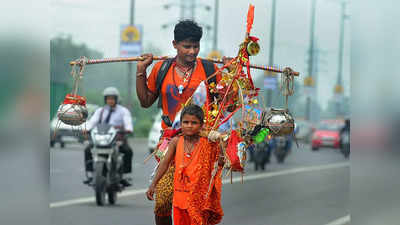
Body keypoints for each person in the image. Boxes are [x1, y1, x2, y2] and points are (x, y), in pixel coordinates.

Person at [136, 20, 229, 225]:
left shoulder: (210, 69)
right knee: (163, 202)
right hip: (170, 140)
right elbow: (145, 102)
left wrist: (231, 74)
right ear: (175, 44)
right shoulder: (162, 69)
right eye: (187, 46)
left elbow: (227, 106)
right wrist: (141, 70)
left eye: (196, 46)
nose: (192, 51)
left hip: (201, 143)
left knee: (196, 203)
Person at [146, 104, 224, 225]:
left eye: (194, 123)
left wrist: (220, 142)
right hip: (179, 198)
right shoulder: (176, 141)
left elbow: (221, 161)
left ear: (201, 125)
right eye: (186, 122)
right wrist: (153, 184)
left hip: (198, 199)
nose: (189, 126)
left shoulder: (207, 143)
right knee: (163, 204)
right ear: (181, 123)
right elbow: (165, 163)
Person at [83, 86, 133, 187]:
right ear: (105, 99)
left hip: (118, 138)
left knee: (128, 151)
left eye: (112, 98)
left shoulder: (123, 111)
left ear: (116, 99)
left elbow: (128, 122)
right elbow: (92, 122)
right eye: (108, 98)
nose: (110, 101)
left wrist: (128, 129)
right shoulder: (100, 111)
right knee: (88, 149)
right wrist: (86, 129)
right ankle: (90, 174)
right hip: (102, 138)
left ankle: (125, 176)